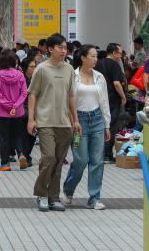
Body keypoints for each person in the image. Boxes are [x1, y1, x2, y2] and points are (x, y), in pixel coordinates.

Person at [28, 34, 78, 212]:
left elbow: (72, 96)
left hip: (64, 122)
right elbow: (32, 94)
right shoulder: (41, 69)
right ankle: (41, 194)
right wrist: (31, 119)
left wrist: (75, 120)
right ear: (50, 49)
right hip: (45, 121)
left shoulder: (69, 70)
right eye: (60, 47)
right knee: (48, 158)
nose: (63, 51)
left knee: (58, 161)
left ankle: (54, 197)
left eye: (65, 48)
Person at [63, 45, 110, 210]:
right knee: (81, 160)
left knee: (97, 160)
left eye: (96, 56)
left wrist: (107, 124)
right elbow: (68, 101)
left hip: (97, 119)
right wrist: (73, 120)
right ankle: (68, 189)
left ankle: (94, 198)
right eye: (92, 56)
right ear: (83, 57)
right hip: (79, 120)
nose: (95, 59)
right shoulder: (73, 76)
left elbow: (104, 101)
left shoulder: (99, 77)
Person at [0, 50, 28, 171]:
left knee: (4, 137)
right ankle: (21, 154)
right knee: (17, 135)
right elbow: (24, 93)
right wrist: (15, 106)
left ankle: (5, 164)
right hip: (18, 112)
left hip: (3, 112)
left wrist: (8, 106)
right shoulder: (20, 75)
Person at [97, 44, 127, 162]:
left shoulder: (98, 63)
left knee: (101, 125)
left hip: (99, 99)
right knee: (111, 126)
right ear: (114, 53)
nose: (120, 56)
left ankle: (99, 152)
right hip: (112, 99)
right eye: (120, 53)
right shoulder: (115, 65)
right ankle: (107, 154)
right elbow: (116, 83)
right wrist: (123, 96)